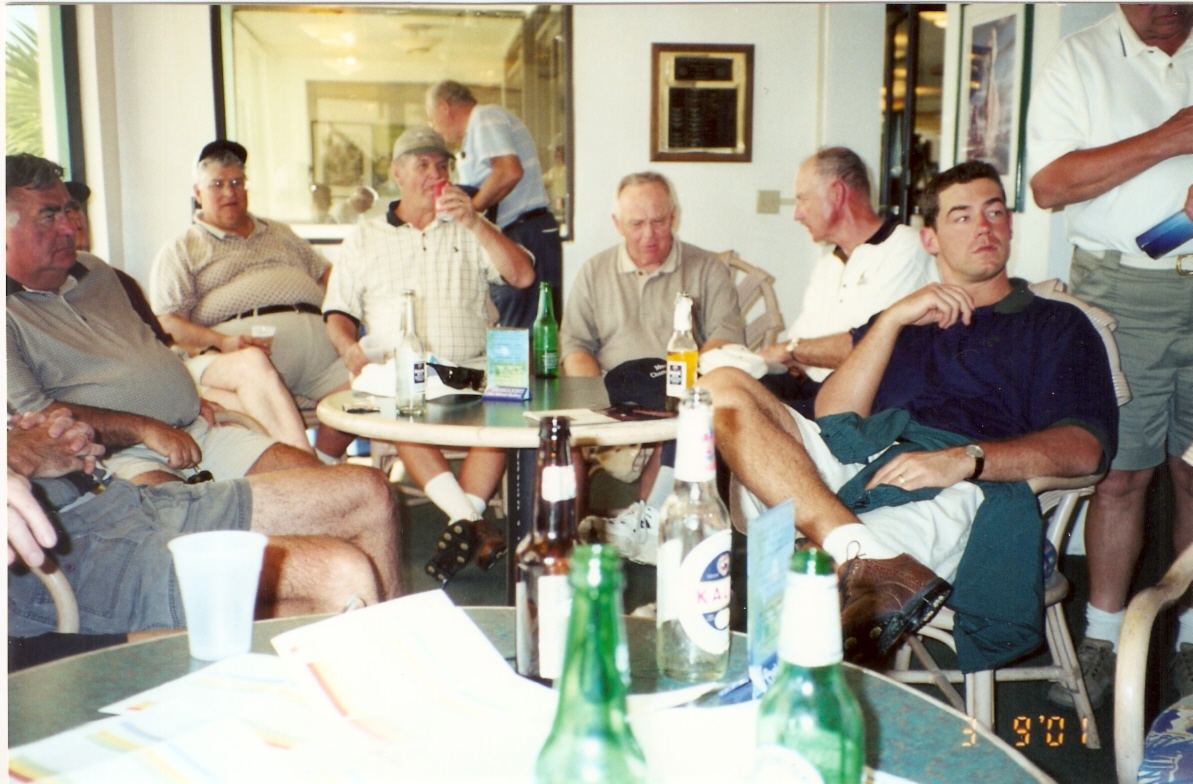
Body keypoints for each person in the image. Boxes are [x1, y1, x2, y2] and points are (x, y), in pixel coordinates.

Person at [699, 161, 1118, 664]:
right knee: (719, 385)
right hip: (864, 459)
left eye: (994, 212)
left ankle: (849, 568)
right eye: (962, 216)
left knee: (815, 591)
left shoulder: (1055, 323)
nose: (984, 227)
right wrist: (893, 320)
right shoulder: (908, 318)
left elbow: (1085, 449)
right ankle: (858, 550)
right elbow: (835, 415)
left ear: (1010, 225)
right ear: (929, 240)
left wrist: (967, 459)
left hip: (957, 485)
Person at [6, 154, 401, 600]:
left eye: (68, 210)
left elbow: (149, 346)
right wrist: (144, 426)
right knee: (228, 555)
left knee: (367, 491)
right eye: (48, 216)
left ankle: (397, 634)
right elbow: (40, 420)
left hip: (199, 430)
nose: (69, 227)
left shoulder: (95, 272)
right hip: (114, 463)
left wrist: (184, 395)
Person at [1027, 3, 1193, 707]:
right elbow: (1049, 186)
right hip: (1124, 289)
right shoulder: (1079, 57)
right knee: (1121, 475)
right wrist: (1168, 138)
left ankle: (1188, 642)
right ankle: (1101, 639)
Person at [323, 126, 535, 586]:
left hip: (471, 370)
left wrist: (475, 221)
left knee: (503, 417)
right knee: (402, 409)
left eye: (442, 165)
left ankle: (464, 524)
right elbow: (337, 313)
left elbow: (522, 277)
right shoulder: (364, 237)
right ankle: (473, 523)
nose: (436, 174)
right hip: (402, 375)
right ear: (397, 174)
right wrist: (349, 348)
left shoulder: (470, 226)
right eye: (423, 165)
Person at [8, 407, 386, 642]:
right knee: (339, 573)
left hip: (118, 496)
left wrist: (52, 437)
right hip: (61, 555)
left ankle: (403, 687)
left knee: (366, 490)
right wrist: (21, 455)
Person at [559, 171, 745, 563]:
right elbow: (574, 344)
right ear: (617, 224)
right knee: (556, 439)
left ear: (674, 216)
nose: (649, 235)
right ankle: (565, 549)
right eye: (636, 224)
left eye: (659, 221)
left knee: (678, 422)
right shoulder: (594, 272)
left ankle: (647, 528)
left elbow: (726, 339)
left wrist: (681, 390)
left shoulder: (707, 269)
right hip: (611, 401)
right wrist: (596, 400)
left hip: (672, 397)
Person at [63, 177, 313, 455]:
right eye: (60, 212)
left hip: (175, 367)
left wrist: (206, 351)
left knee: (252, 362)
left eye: (76, 209)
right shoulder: (48, 298)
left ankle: (305, 466)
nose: (75, 218)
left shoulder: (116, 279)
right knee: (241, 410)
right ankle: (305, 465)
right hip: (146, 386)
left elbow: (162, 341)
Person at [148, 140, 354, 463]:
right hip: (244, 353)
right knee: (253, 382)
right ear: (197, 193)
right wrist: (222, 342)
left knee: (368, 391)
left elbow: (330, 278)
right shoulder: (182, 249)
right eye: (217, 184)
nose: (229, 192)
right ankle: (307, 472)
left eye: (236, 182)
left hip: (322, 355)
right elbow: (169, 324)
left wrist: (347, 327)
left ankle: (322, 464)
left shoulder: (280, 233)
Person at [758, 147, 935, 417]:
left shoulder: (905, 250)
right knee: (722, 392)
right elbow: (799, 349)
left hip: (863, 406)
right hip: (812, 391)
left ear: (837, 194)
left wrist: (789, 350)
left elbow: (867, 348)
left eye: (803, 199)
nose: (796, 214)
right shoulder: (829, 264)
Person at [425, 80, 563, 327]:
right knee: (516, 325)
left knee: (531, 328)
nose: (434, 127)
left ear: (444, 107)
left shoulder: (483, 118)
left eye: (431, 118)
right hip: (515, 232)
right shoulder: (473, 136)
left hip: (527, 231)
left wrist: (472, 211)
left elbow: (509, 171)